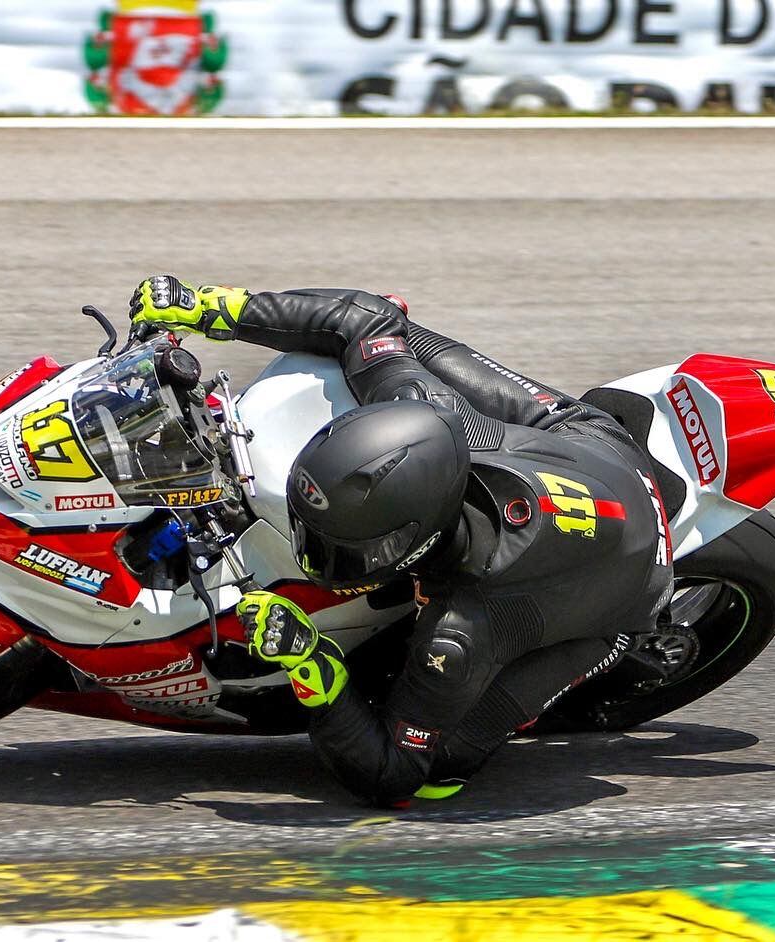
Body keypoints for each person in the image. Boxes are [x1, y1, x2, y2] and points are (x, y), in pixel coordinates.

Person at [129, 275, 674, 808]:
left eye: (336, 546)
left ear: (410, 546)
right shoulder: (423, 408)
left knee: (442, 772)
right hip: (588, 439)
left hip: (627, 591)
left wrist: (311, 665)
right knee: (390, 332)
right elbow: (361, 315)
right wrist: (205, 307)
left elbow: (393, 774)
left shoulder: (461, 631)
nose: (312, 552)